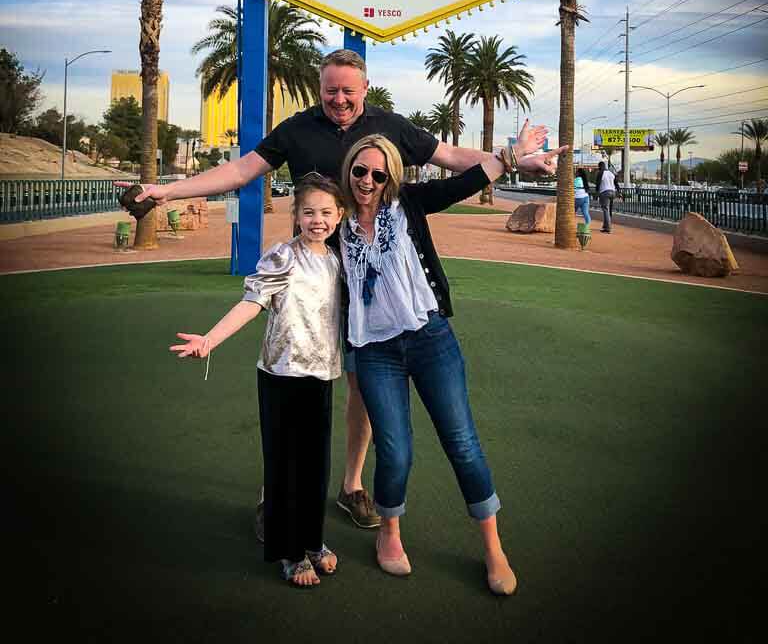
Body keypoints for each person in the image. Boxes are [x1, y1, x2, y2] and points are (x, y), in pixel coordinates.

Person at [120, 49, 566, 533]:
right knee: (293, 383)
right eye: (330, 90)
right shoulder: (297, 129)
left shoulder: (390, 127)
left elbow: (452, 157)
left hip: (366, 285)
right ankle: (278, 494)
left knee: (362, 387)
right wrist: (168, 191)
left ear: (365, 89)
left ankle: (351, 486)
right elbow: (239, 171)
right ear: (319, 88)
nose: (338, 99)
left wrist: (515, 159)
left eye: (348, 91)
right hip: (312, 277)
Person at [338, 133, 518, 596]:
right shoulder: (334, 222)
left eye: (379, 173)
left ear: (392, 176)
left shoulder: (409, 204)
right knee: (395, 451)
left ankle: (493, 547)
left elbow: (465, 182)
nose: (368, 181)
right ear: (349, 171)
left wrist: (511, 157)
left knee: (462, 443)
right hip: (374, 351)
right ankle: (389, 532)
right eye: (360, 171)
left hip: (429, 338)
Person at [169, 173, 346, 587]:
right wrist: (211, 339)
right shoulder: (282, 256)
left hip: (320, 376)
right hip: (281, 375)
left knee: (315, 465)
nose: (317, 220)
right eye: (308, 212)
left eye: (325, 212)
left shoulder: (336, 260)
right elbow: (252, 303)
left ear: (339, 215)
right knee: (284, 466)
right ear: (296, 215)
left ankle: (313, 541)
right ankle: (288, 552)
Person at [595, 161, 622, 233]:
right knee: (608, 210)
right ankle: (605, 226)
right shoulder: (611, 173)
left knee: (605, 210)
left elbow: (597, 184)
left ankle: (608, 228)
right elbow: (616, 183)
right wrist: (619, 192)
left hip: (605, 192)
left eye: (599, 167)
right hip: (612, 192)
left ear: (600, 167)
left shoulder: (600, 173)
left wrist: (596, 193)